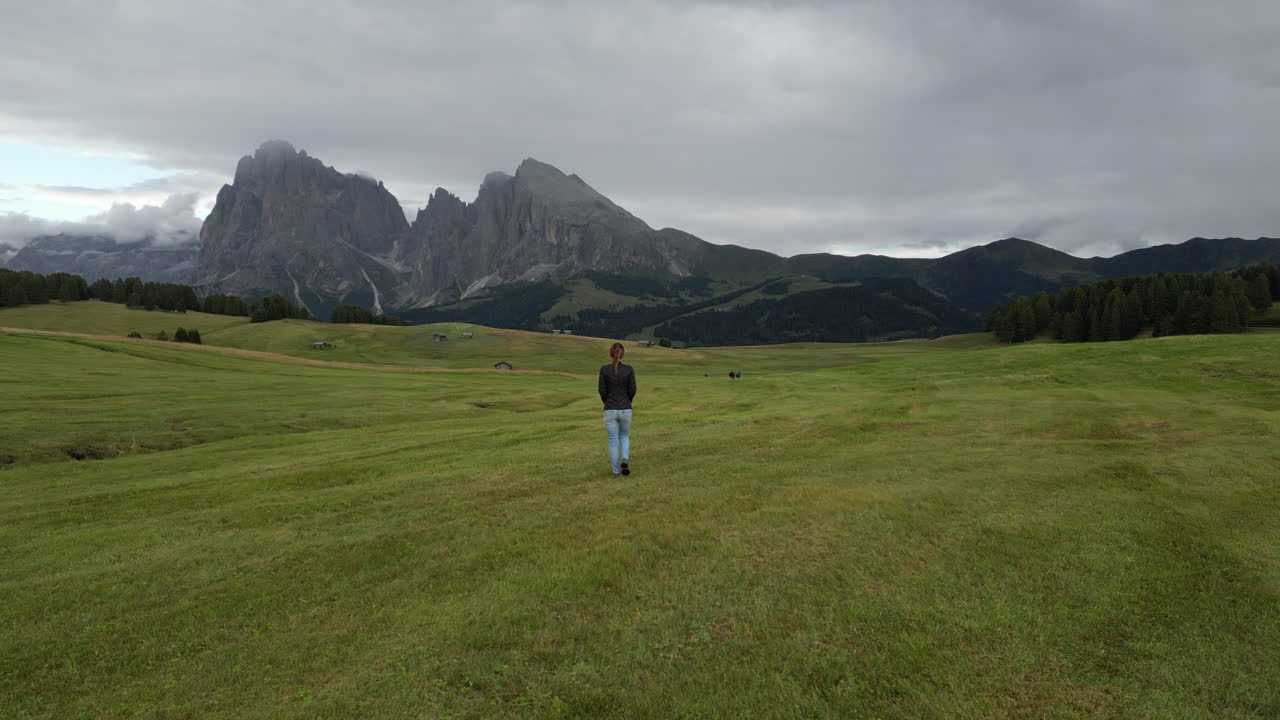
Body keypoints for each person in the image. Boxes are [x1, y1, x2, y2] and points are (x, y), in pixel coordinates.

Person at [599, 342, 637, 477]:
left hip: (610, 408)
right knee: (624, 436)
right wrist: (627, 401)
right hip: (626, 408)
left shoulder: (604, 370)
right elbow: (632, 389)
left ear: (611, 353)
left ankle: (616, 472)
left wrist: (608, 403)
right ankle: (624, 459)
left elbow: (602, 391)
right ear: (622, 354)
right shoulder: (629, 369)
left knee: (613, 440)